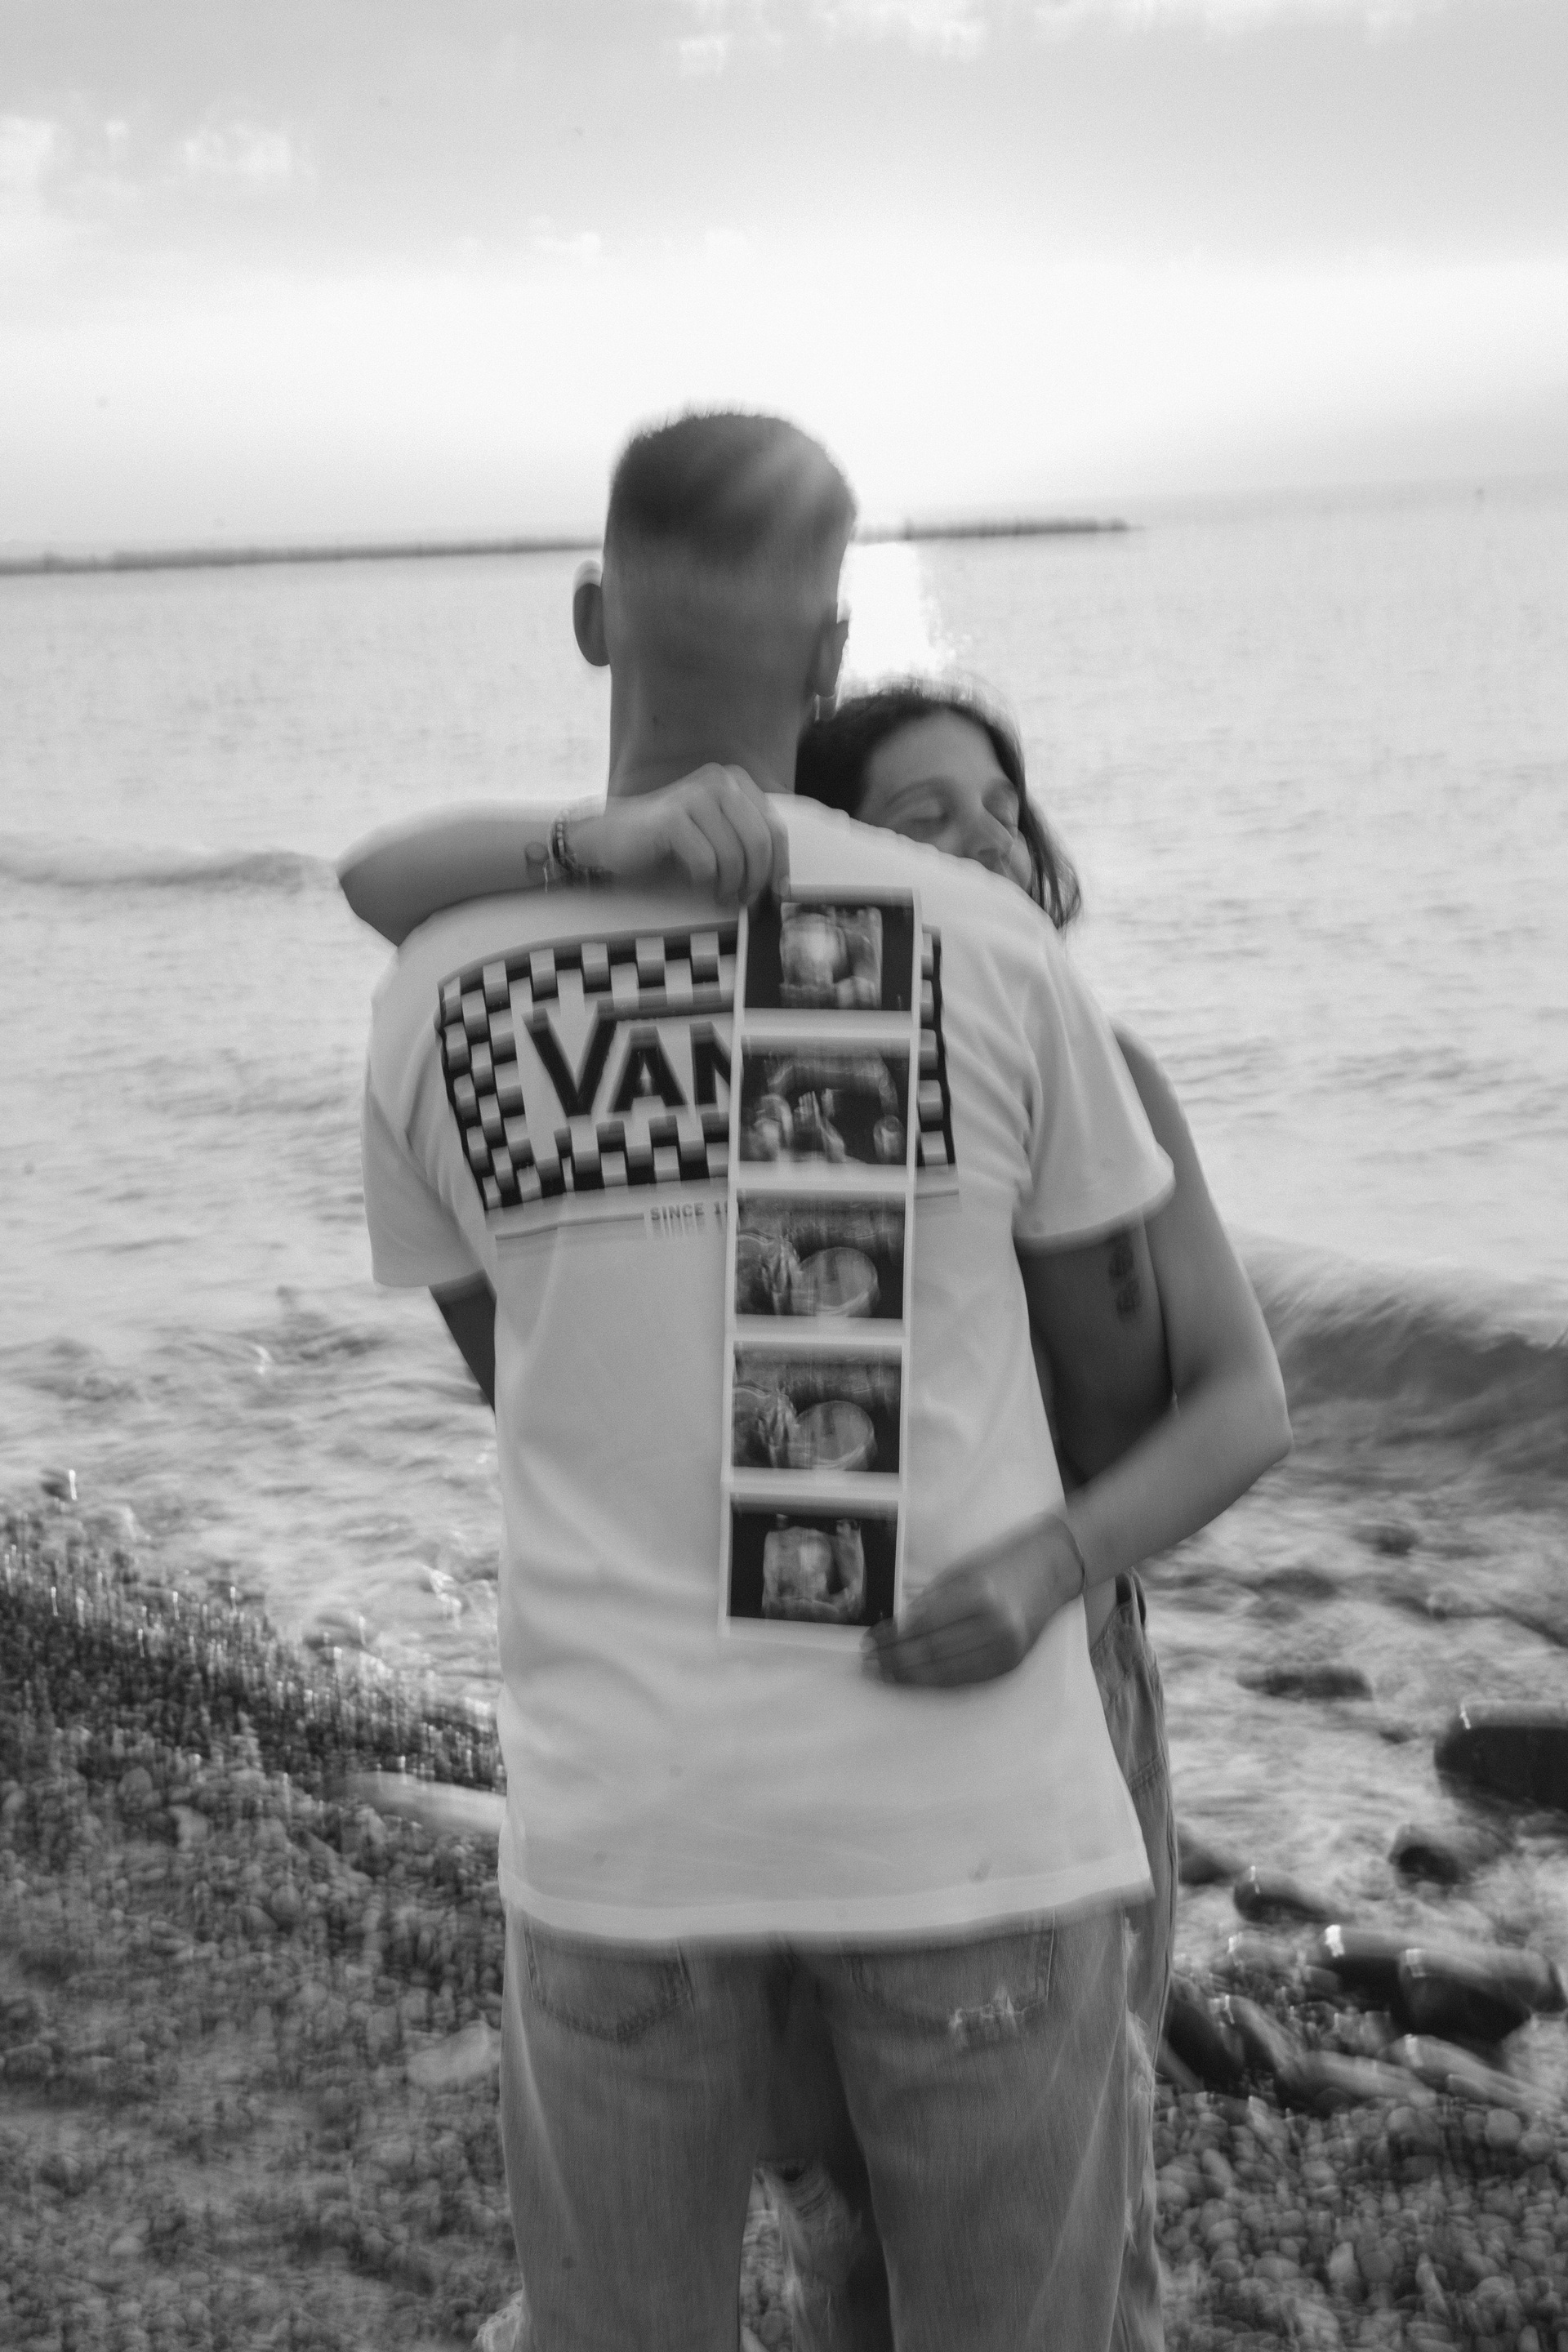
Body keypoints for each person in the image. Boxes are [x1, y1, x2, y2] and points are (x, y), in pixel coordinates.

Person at [353, 408, 1188, 2352]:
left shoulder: (433, 996)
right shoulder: (992, 946)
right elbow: (1120, 1393)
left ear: (591, 620)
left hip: (628, 1828)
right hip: (969, 1827)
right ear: (828, 659)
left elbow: (524, 1382)